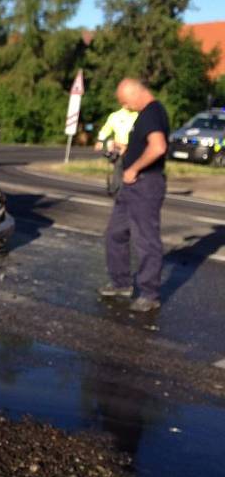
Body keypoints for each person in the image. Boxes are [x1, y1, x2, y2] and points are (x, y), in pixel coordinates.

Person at [98, 78, 169, 312]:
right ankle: (121, 283)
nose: (125, 107)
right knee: (115, 233)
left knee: (145, 238)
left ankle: (149, 294)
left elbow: (158, 147)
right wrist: (124, 150)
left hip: (145, 184)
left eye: (125, 102)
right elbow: (144, 145)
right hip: (131, 186)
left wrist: (134, 168)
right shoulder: (145, 115)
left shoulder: (152, 112)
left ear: (136, 94)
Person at [94, 106, 138, 195]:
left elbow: (106, 129)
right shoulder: (117, 116)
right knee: (120, 166)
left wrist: (100, 140)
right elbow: (106, 129)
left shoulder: (136, 115)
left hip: (130, 146)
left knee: (121, 167)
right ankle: (118, 189)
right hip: (121, 146)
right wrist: (100, 140)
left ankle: (118, 189)